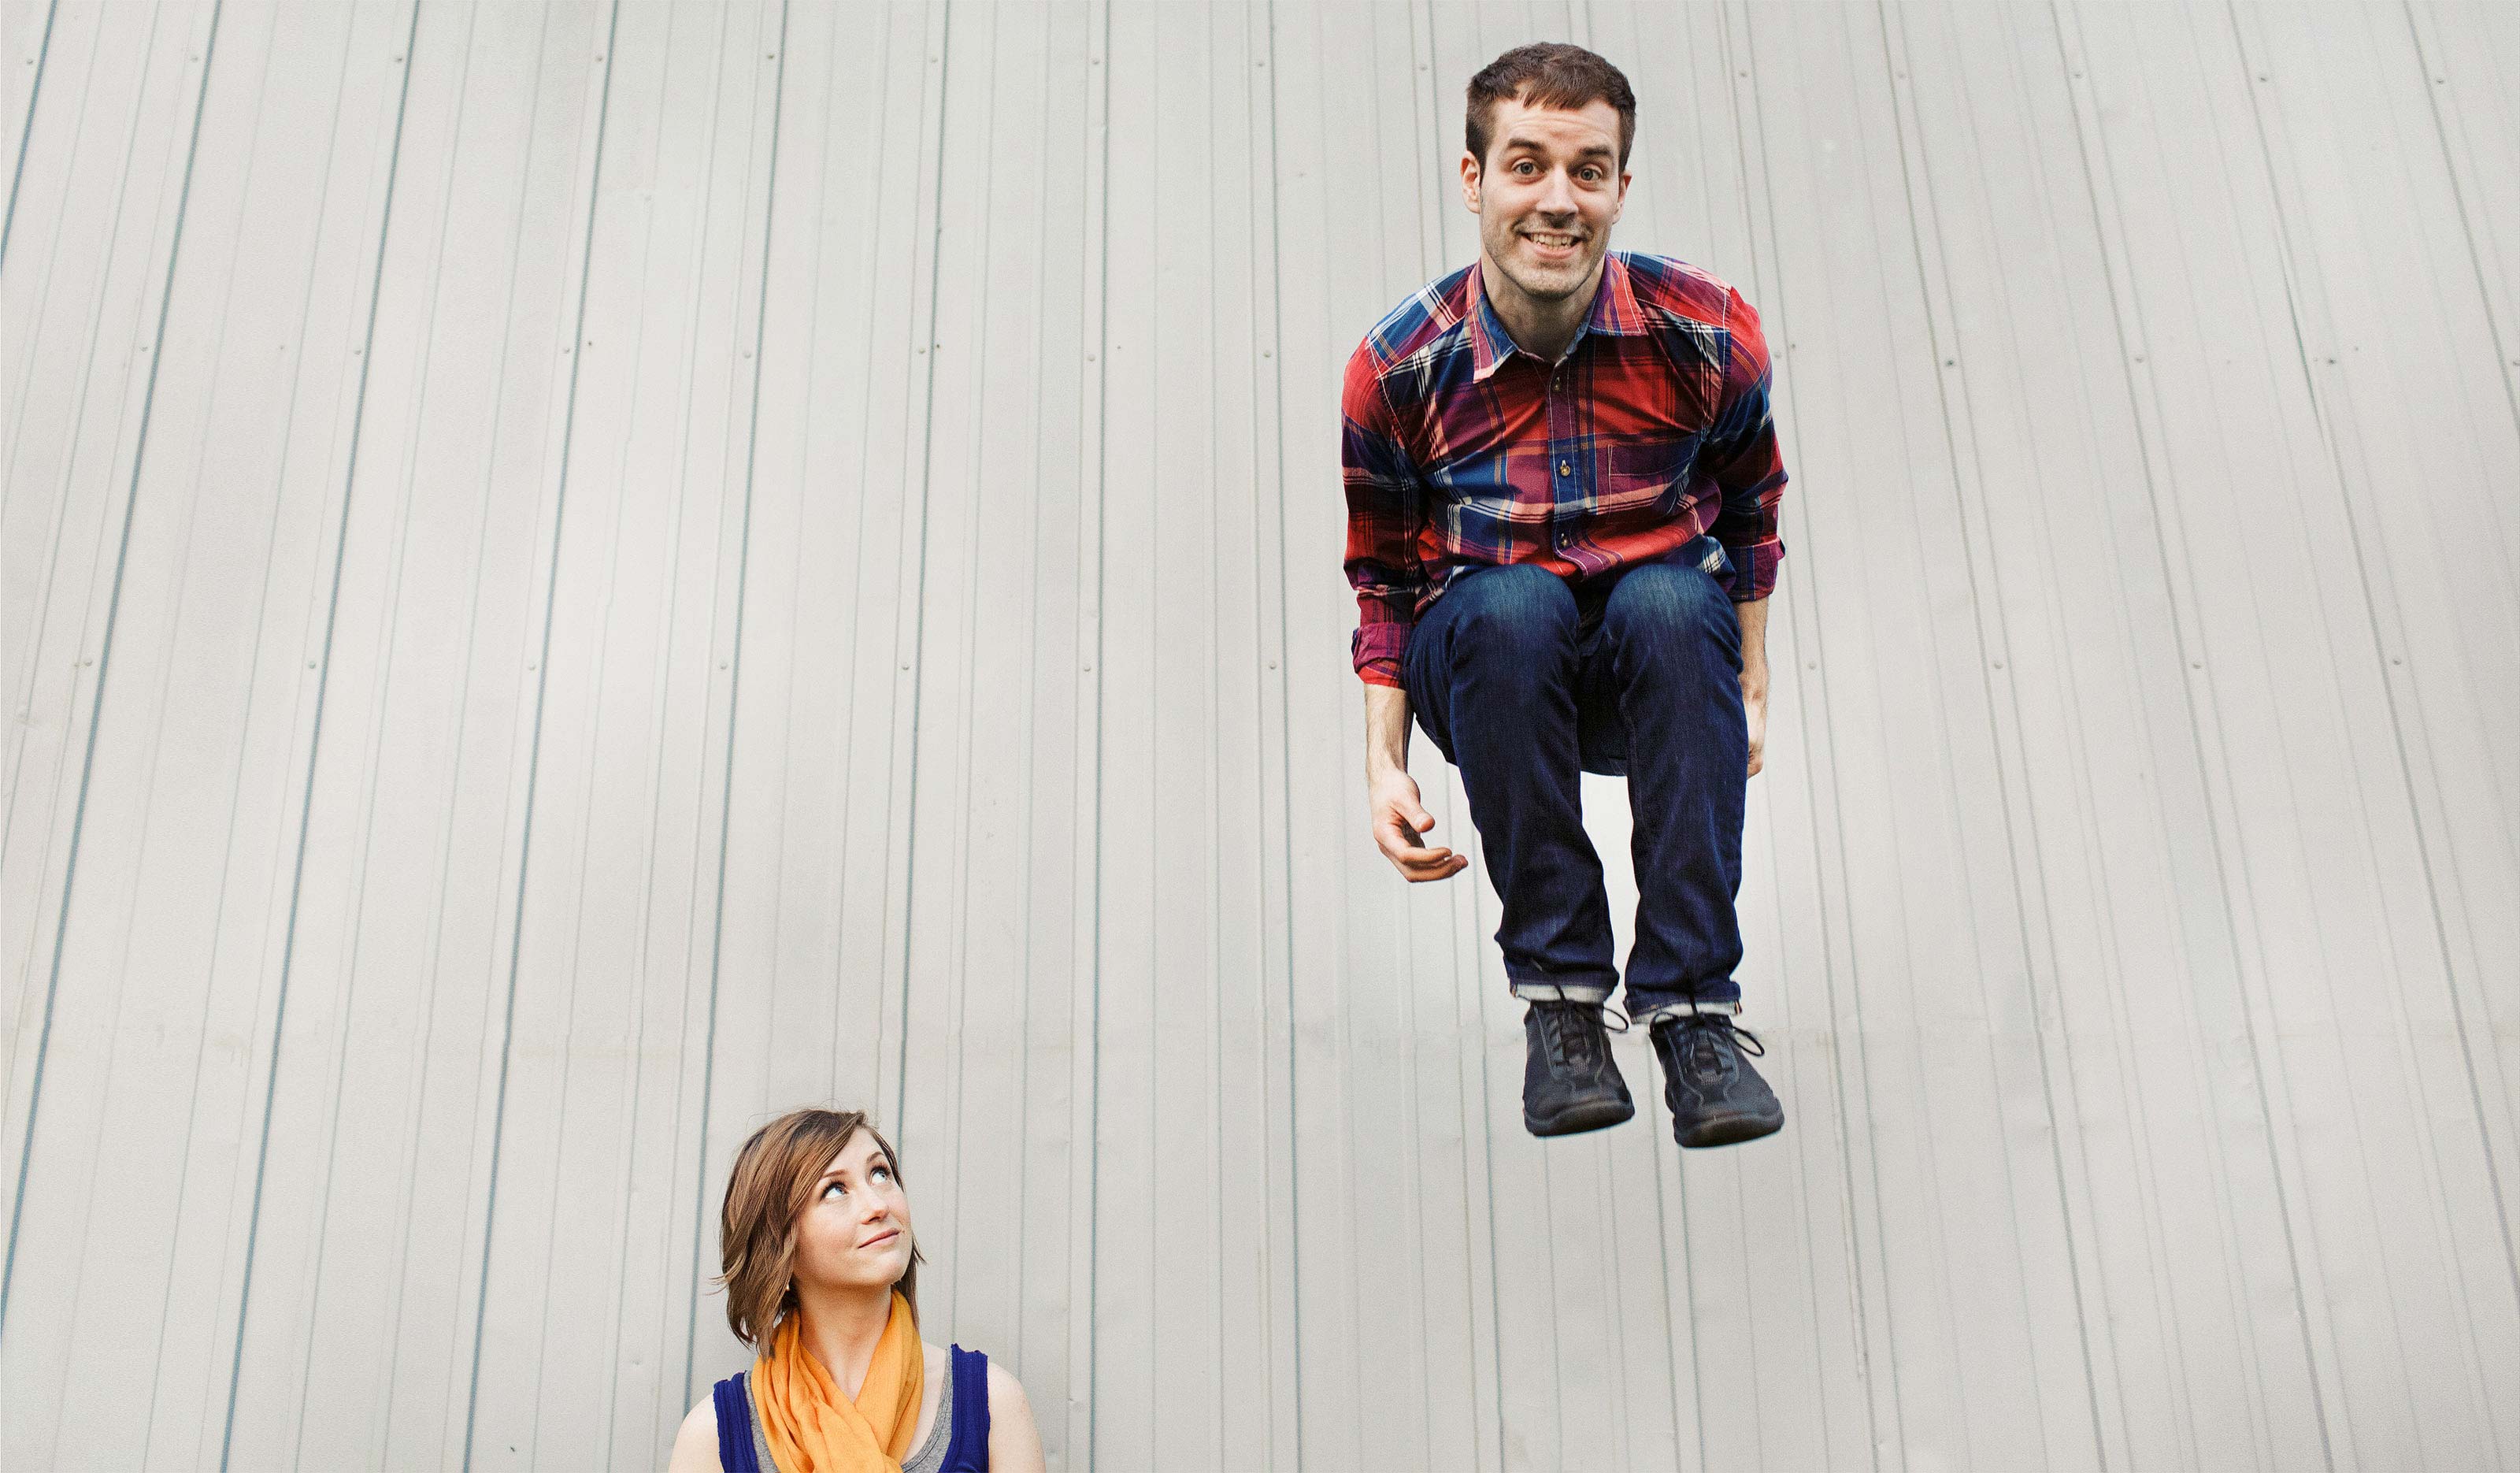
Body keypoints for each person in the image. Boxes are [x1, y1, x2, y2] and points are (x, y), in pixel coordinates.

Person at [1344, 43, 1791, 1148]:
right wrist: (1383, 762)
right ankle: (1562, 1003)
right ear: (1473, 179)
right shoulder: (1400, 369)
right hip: (1492, 666)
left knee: (1667, 601)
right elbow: (1384, 575)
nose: (1558, 199)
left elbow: (1750, 512)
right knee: (1513, 608)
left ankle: (1693, 1013)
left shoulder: (1706, 334)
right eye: (1526, 165)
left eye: (1587, 171)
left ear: (1620, 189)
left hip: (1656, 663)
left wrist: (1753, 681)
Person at [666, 1108, 1046, 1473]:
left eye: (880, 1174)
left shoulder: (989, 1403)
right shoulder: (714, 1437)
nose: (878, 1205)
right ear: (778, 1246)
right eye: (835, 1190)